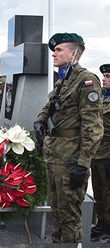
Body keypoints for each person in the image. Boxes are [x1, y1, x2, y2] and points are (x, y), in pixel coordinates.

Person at [35, 33, 103, 243]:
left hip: (71, 160)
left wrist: (83, 165)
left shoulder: (86, 81)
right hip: (55, 156)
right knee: (57, 214)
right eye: (54, 50)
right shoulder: (64, 80)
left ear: (74, 53)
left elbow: (93, 128)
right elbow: (50, 108)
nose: (54, 54)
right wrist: (40, 123)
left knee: (70, 218)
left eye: (59, 50)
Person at [90, 64, 110, 243]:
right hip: (98, 155)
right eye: (104, 75)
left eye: (108, 76)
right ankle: (101, 224)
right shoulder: (102, 98)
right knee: (99, 193)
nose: (104, 79)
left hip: (108, 156)